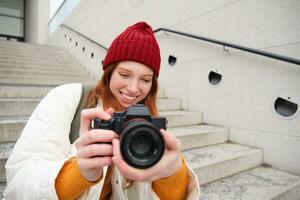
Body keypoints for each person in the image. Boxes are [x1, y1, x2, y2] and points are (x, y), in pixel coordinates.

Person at [4, 21, 199, 200]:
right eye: (124, 74)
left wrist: (173, 175)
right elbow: (19, 181)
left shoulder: (148, 124)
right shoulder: (67, 98)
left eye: (146, 80)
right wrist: (79, 173)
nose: (133, 88)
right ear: (109, 72)